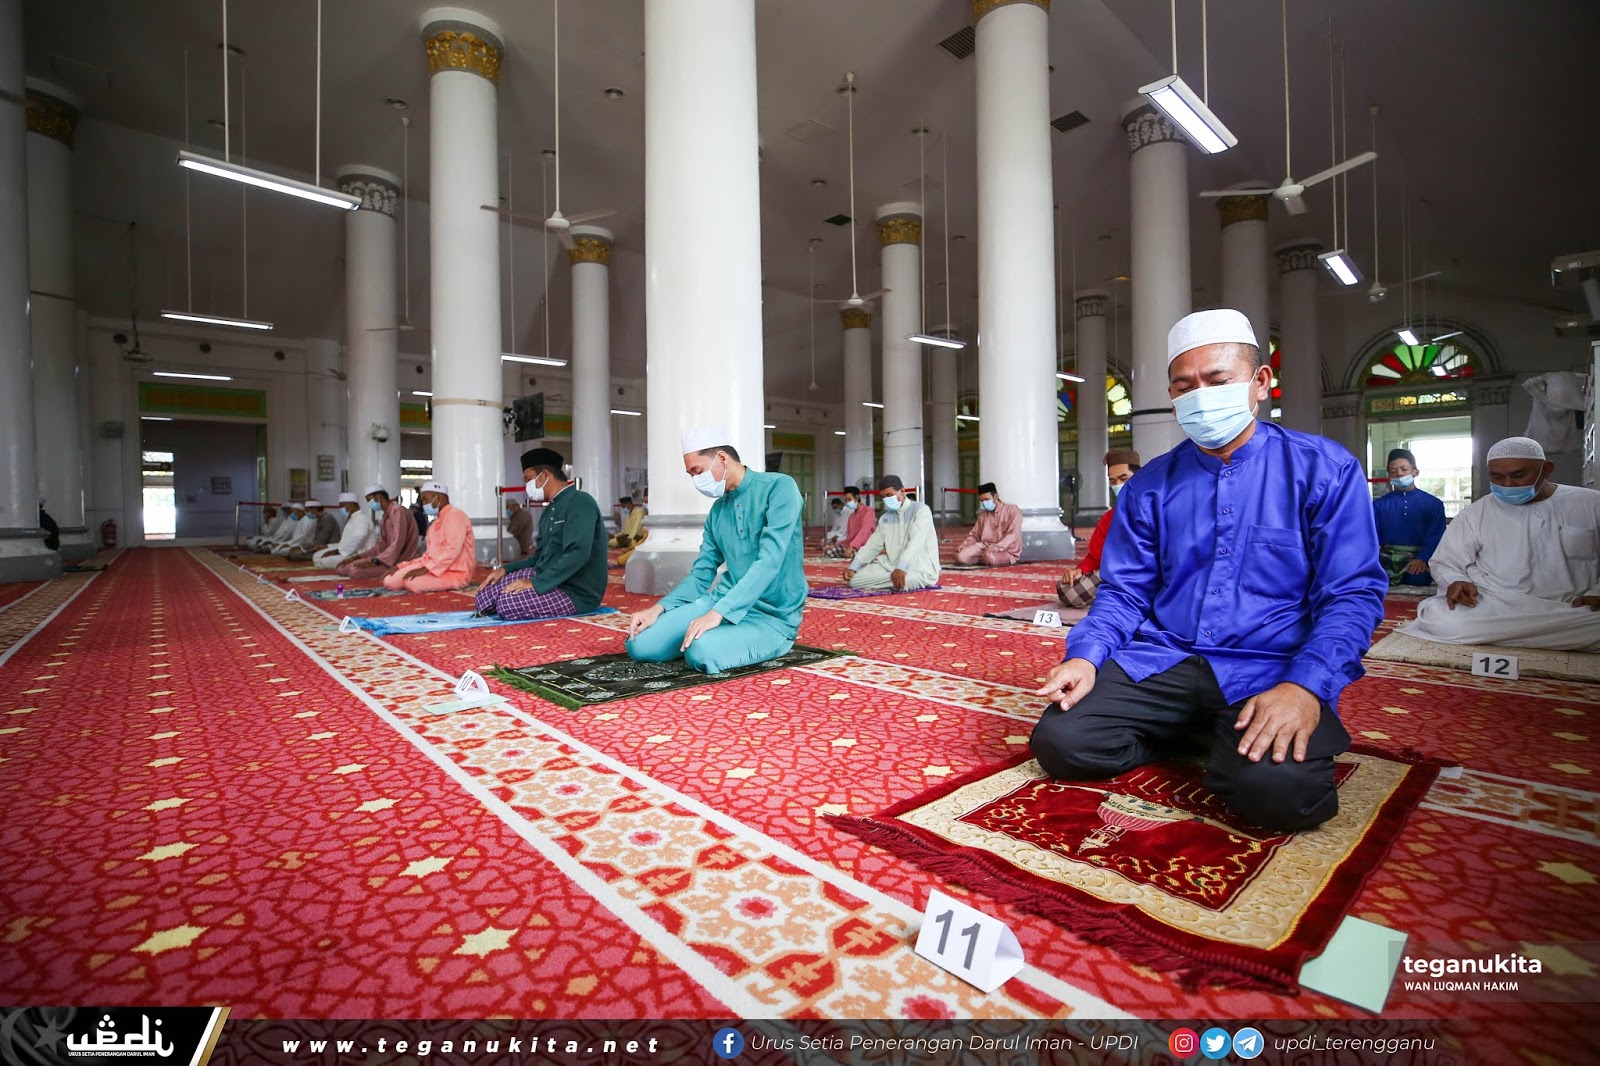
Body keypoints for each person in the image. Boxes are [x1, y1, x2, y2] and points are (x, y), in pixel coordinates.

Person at [1030, 308, 1385, 834]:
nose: (1200, 396)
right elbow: (1124, 592)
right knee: (1064, 744)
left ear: (1259, 382)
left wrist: (1306, 687)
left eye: (1217, 381)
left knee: (1281, 796)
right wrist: (1085, 656)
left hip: (1269, 665)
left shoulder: (1323, 470)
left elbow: (1351, 595)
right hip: (1166, 656)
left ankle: (1222, 735)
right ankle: (1207, 732)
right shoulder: (1150, 486)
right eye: (1184, 386)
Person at [626, 428, 807, 674]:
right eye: (691, 475)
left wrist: (718, 613)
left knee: (700, 651)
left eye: (697, 471)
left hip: (771, 614)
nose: (695, 480)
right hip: (721, 600)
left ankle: (772, 640)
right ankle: (721, 634)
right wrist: (658, 608)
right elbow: (701, 574)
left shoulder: (779, 488)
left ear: (722, 458)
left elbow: (769, 562)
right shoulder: (717, 511)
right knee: (640, 643)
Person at [1401, 436, 1600, 651]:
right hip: (1496, 604)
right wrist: (1457, 581)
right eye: (1497, 477)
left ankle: (1514, 636)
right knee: (1443, 620)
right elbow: (1445, 562)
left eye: (1518, 475)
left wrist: (1597, 592)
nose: (1507, 484)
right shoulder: (1475, 514)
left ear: (1546, 469)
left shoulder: (1591, 503)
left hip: (1571, 607)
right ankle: (1558, 638)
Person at [476, 448, 608, 620]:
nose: (527, 486)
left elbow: (578, 554)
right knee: (486, 593)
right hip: (546, 576)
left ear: (544, 475)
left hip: (575, 591)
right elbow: (538, 558)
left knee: (507, 603)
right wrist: (504, 570)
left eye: (528, 479)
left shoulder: (580, 501)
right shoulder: (549, 510)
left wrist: (535, 583)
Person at [1057, 450, 1142, 608]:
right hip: (1117, 575)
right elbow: (1096, 557)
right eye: (1113, 481)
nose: (1118, 485)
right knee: (1068, 589)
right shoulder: (1109, 518)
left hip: (1152, 572)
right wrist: (1080, 571)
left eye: (1123, 478)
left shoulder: (1157, 508)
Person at [844, 475, 941, 592]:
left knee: (907, 580)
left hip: (918, 566)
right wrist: (854, 566)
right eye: (883, 497)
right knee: (854, 580)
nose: (886, 499)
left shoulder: (921, 510)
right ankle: (894, 581)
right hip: (890, 565)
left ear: (902, 491)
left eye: (889, 495)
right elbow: (873, 545)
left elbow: (916, 542)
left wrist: (901, 567)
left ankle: (896, 580)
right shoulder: (885, 517)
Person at [1373, 448, 1448, 587]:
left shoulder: (1433, 504)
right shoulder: (1378, 505)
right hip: (1386, 558)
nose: (1399, 473)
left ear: (1415, 472)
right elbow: (1372, 537)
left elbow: (1437, 536)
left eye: (1404, 469)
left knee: (1417, 579)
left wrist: (1423, 558)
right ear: (1389, 476)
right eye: (1393, 471)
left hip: (1419, 558)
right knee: (1375, 581)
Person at [382, 482, 476, 592]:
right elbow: (427, 557)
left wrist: (425, 569)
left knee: (412, 582)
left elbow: (452, 551)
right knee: (390, 580)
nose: (423, 504)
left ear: (438, 498)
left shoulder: (456, 515)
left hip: (455, 573)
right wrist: (401, 566)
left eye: (426, 499)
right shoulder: (435, 524)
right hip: (431, 568)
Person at [338, 485, 421, 578]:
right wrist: (358, 557)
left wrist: (376, 561)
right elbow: (381, 546)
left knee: (354, 571)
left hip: (399, 560)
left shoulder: (398, 511)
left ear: (378, 498)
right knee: (343, 568)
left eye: (369, 500)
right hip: (385, 559)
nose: (369, 504)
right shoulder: (385, 516)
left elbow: (397, 543)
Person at [955, 482, 1022, 567]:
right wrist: (965, 545)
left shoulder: (1012, 510)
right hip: (984, 548)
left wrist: (998, 547)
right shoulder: (984, 514)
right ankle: (983, 558)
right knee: (960, 557)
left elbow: (1013, 534)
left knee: (990, 558)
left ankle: (983, 559)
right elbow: (974, 534)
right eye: (981, 501)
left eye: (986, 499)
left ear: (996, 496)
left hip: (1005, 550)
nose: (984, 503)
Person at [314, 492, 379, 569]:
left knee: (321, 560)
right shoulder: (352, 519)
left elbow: (358, 540)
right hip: (348, 552)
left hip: (359, 555)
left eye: (342, 506)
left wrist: (337, 552)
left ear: (351, 505)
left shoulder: (361, 519)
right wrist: (328, 546)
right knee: (317, 555)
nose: (340, 509)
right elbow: (344, 543)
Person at [840, 485, 876, 560]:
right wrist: (838, 544)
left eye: (849, 499)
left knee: (854, 553)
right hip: (852, 546)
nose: (848, 502)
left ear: (857, 497)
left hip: (866, 546)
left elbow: (864, 531)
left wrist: (852, 546)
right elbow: (849, 537)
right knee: (830, 551)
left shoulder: (869, 511)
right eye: (846, 500)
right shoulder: (851, 516)